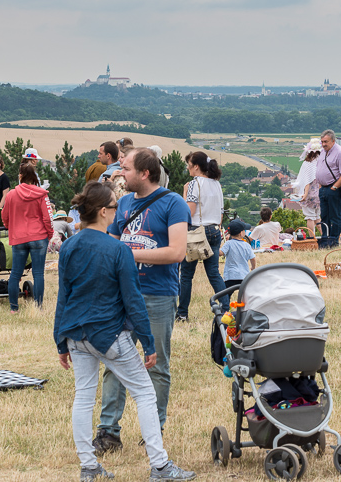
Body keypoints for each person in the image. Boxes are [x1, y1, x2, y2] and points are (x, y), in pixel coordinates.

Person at [57, 182, 196, 482]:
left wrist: (60, 341)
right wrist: (148, 343)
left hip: (76, 334)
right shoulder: (119, 249)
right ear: (104, 212)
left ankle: (88, 466)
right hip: (109, 334)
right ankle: (159, 466)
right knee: (145, 393)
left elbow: (63, 297)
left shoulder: (68, 246)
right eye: (114, 205)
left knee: (83, 396)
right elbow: (133, 300)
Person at [96, 148, 190, 451]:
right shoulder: (122, 203)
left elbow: (177, 252)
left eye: (126, 169)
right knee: (114, 363)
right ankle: (108, 432)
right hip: (122, 297)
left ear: (145, 174)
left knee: (157, 365)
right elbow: (111, 246)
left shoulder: (173, 203)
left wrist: (128, 253)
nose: (121, 173)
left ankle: (155, 429)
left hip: (158, 296)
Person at [177, 151, 228, 322]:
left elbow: (188, 211)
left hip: (196, 230)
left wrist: (184, 193)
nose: (188, 168)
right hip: (214, 229)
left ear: (196, 166)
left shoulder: (193, 184)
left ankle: (182, 313)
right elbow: (221, 214)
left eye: (189, 164)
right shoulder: (216, 184)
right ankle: (226, 308)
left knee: (186, 275)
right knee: (214, 273)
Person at [0, 163, 52, 313]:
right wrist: (48, 234)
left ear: (20, 176)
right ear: (34, 176)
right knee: (38, 274)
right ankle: (38, 306)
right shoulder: (42, 194)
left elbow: (4, 216)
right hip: (39, 236)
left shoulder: (11, 195)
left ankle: (14, 308)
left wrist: (11, 227)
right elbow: (48, 217)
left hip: (19, 237)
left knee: (15, 273)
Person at [316, 129, 341, 249]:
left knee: (335, 216)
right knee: (324, 216)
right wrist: (321, 186)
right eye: (322, 142)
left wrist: (334, 188)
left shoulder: (340, 152)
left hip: (333, 189)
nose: (324, 144)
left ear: (333, 141)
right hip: (323, 189)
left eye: (326, 141)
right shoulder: (323, 152)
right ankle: (325, 240)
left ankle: (334, 241)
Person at [292, 139, 322, 235]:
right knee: (317, 217)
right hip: (319, 194)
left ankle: (311, 237)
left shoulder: (308, 163)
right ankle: (324, 235)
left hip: (309, 195)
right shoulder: (322, 162)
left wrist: (304, 194)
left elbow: (306, 181)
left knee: (310, 217)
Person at [222, 219, 256, 290]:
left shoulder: (228, 243)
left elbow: (221, 253)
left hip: (230, 276)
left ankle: (225, 301)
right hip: (243, 276)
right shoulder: (247, 245)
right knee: (245, 294)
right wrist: (253, 267)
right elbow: (253, 258)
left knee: (226, 295)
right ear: (241, 233)